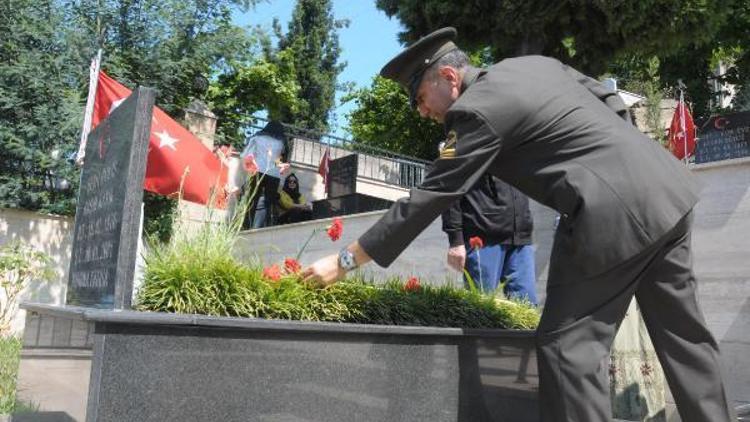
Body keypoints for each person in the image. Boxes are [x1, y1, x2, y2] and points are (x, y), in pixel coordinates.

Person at [302, 27, 735, 421]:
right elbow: (609, 99)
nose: (421, 111)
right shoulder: (535, 65)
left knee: (568, 349)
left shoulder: (475, 111)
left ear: (449, 78)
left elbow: (432, 194)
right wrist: (615, 166)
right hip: (667, 191)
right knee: (685, 339)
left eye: (419, 97)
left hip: (610, 216)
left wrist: (346, 260)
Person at [441, 170, 537, 304]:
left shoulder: (520, 149)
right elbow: (450, 183)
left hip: (521, 237)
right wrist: (455, 239)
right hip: (483, 238)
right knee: (481, 307)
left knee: (528, 306)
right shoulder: (468, 148)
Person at [238, 120, 291, 229]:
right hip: (273, 174)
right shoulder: (281, 143)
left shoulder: (257, 138)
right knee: (270, 203)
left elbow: (247, 154)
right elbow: (278, 161)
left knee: (252, 200)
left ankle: (245, 226)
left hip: (258, 171)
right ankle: (268, 226)